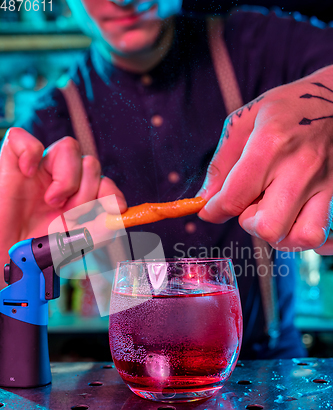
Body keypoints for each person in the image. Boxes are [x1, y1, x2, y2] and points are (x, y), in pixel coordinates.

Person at [1, 0, 333, 358]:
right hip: (140, 375)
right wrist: (9, 274)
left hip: (273, 366)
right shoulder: (50, 121)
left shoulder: (258, 40)